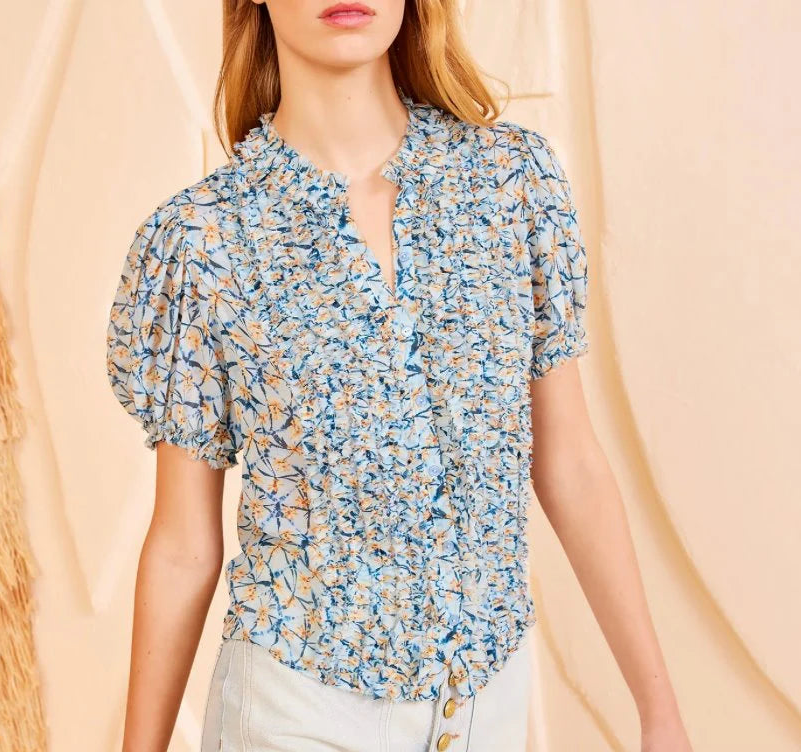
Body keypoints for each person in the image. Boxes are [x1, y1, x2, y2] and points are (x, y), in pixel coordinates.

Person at [104, 1, 693, 751]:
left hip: (486, 714)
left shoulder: (512, 184)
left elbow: (570, 463)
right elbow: (183, 545)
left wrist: (659, 710)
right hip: (295, 712)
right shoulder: (202, 241)